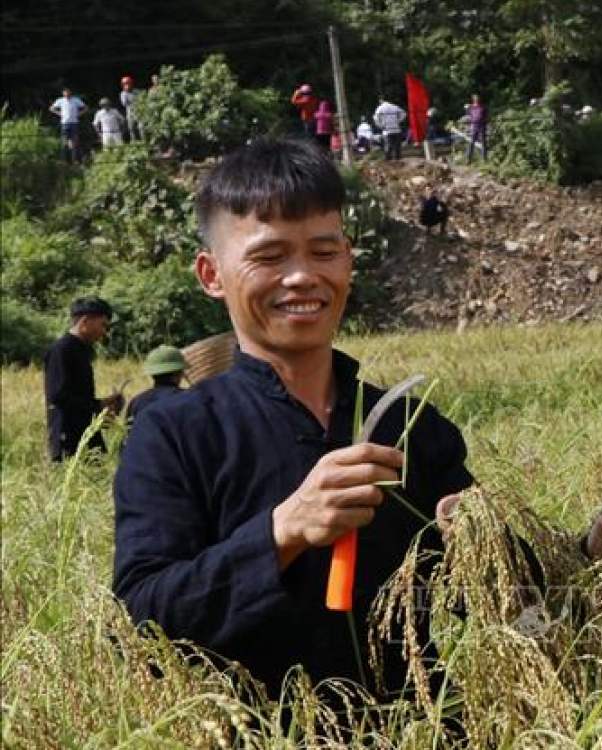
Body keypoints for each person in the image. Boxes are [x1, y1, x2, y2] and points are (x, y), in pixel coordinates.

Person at [112, 138, 475, 699]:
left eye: (324, 251)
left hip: (420, 729)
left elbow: (509, 609)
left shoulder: (411, 426)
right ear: (212, 274)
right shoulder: (177, 433)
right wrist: (282, 532)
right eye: (270, 256)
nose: (303, 276)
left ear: (348, 259)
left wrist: (481, 540)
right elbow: (141, 622)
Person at [44, 297, 120, 461]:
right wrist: (98, 405)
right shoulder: (62, 350)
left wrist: (103, 405)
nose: (104, 332)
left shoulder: (82, 349)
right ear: (85, 321)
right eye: (103, 325)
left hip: (86, 433)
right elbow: (58, 396)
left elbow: (77, 395)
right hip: (69, 439)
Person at [126, 345, 187, 425]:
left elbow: (129, 432)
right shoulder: (188, 399)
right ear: (178, 374)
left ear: (152, 374)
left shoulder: (136, 402)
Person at [49, 87, 88, 163]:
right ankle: (64, 160)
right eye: (65, 92)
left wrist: (79, 114)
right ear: (63, 93)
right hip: (65, 123)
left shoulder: (76, 100)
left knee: (75, 142)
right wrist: (60, 114)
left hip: (74, 123)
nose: (66, 94)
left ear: (70, 93)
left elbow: (86, 108)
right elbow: (51, 108)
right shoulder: (60, 100)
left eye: (68, 92)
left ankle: (75, 160)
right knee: (64, 143)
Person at [373, 96, 406, 161]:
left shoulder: (380, 108)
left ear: (381, 100)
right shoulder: (394, 106)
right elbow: (404, 114)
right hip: (396, 129)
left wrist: (380, 125)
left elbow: (375, 118)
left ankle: (388, 160)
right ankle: (398, 159)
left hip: (387, 130)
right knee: (397, 146)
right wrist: (398, 121)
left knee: (388, 146)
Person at [119, 75, 143, 141]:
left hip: (139, 112)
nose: (126, 85)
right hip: (130, 113)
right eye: (125, 84)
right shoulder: (123, 94)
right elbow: (124, 103)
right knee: (131, 129)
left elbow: (142, 100)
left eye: (127, 83)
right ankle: (134, 142)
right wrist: (126, 93)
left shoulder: (137, 91)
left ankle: (144, 141)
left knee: (141, 128)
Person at [466, 93, 487, 163]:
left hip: (481, 127)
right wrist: (470, 125)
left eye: (477, 98)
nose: (476, 99)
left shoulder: (483, 107)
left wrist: (484, 122)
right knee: (471, 143)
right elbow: (469, 116)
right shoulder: (470, 108)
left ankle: (484, 160)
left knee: (483, 143)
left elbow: (486, 117)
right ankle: (469, 159)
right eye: (475, 98)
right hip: (474, 126)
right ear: (473, 99)